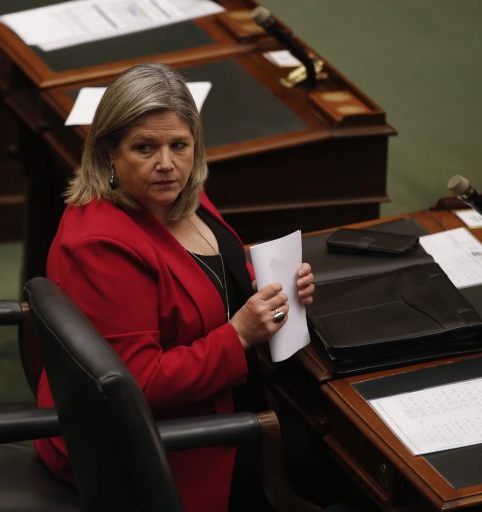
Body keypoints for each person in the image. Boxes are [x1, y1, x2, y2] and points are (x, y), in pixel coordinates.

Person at [35, 62, 315, 512]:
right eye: (144, 147)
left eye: (179, 145)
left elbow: (209, 269)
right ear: (109, 152)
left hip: (221, 397)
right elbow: (135, 386)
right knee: (330, 457)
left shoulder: (179, 193)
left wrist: (269, 282)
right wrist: (240, 334)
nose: (166, 164)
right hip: (158, 444)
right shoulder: (100, 245)